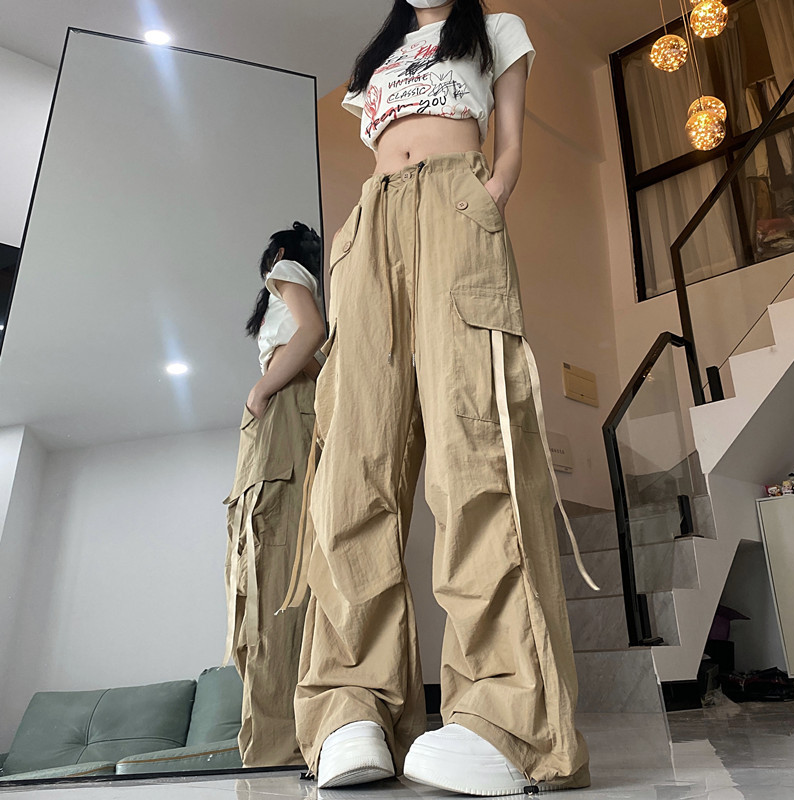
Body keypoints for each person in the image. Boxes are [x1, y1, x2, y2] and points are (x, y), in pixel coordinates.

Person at [280, 1, 597, 793]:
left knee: (474, 450)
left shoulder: (496, 31)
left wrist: (491, 194)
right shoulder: (375, 60)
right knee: (353, 463)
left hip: (458, 203)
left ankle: (504, 717)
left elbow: (510, 141)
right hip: (372, 224)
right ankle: (351, 703)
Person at [223, 221, 327, 768]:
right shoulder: (295, 285)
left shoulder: (285, 271)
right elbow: (311, 353)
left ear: (281, 253)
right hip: (295, 413)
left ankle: (278, 743)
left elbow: (311, 332)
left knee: (274, 569)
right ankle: (296, 732)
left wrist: (261, 389)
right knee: (287, 564)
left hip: (283, 413)